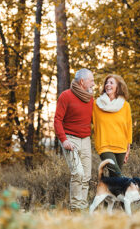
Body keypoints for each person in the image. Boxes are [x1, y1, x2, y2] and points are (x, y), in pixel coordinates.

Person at [54, 68, 95, 212]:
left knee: (86, 176)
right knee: (78, 173)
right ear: (82, 81)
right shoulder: (66, 96)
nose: (94, 84)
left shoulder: (90, 99)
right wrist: (64, 140)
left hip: (86, 140)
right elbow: (57, 120)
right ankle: (76, 208)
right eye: (91, 81)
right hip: (70, 139)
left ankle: (82, 207)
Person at [92, 74, 132, 177]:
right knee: (117, 174)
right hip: (104, 146)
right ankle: (129, 191)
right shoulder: (96, 104)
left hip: (121, 147)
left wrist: (128, 148)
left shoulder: (125, 105)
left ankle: (112, 193)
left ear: (118, 86)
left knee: (114, 178)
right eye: (106, 83)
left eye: (111, 83)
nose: (107, 85)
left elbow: (128, 127)